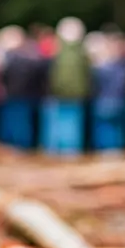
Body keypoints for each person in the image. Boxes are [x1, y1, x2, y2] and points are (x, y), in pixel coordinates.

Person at [43, 18, 90, 155]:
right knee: (73, 125)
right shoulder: (82, 52)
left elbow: (50, 73)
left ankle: (55, 150)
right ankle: (71, 151)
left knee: (57, 124)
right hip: (76, 95)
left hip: (58, 94)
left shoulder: (56, 51)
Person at [0, 26, 43, 149]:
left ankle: (19, 146)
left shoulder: (11, 57)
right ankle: (21, 145)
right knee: (22, 122)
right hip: (25, 95)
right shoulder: (30, 56)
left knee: (18, 123)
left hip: (16, 95)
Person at [92, 33, 125, 152]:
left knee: (105, 128)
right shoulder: (124, 67)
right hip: (117, 101)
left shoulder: (103, 67)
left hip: (105, 101)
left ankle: (107, 148)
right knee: (116, 128)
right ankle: (115, 148)